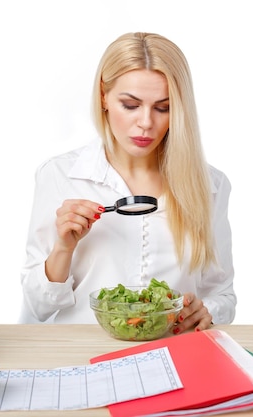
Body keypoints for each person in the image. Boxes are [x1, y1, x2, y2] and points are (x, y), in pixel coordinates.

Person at [19, 32, 235, 333]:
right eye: (131, 105)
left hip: (174, 353)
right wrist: (63, 248)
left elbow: (221, 295)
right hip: (81, 353)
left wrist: (206, 311)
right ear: (103, 97)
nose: (146, 122)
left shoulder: (211, 185)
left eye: (163, 107)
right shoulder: (59, 176)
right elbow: (37, 308)